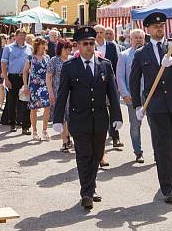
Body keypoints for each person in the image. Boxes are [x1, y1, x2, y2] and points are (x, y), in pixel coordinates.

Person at [52, 26, 122, 210]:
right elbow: (62, 94)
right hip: (79, 119)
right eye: (85, 44)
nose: (90, 47)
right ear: (78, 46)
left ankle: (91, 187)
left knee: (97, 154)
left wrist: (117, 115)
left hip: (100, 119)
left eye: (92, 43)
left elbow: (113, 93)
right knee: (84, 156)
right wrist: (57, 119)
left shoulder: (105, 64)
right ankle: (87, 193)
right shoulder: (69, 66)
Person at [129, 11, 172, 204]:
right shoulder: (141, 53)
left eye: (162, 26)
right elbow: (134, 81)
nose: (159, 29)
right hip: (156, 105)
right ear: (148, 30)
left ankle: (169, 178)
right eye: (155, 26)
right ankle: (167, 187)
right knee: (162, 145)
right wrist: (137, 106)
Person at [116, 28, 146, 163]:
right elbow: (120, 76)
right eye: (136, 37)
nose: (138, 40)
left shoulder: (149, 53)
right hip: (133, 97)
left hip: (150, 95)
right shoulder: (124, 55)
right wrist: (124, 93)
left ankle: (159, 152)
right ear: (130, 39)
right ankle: (138, 152)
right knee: (135, 126)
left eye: (141, 37)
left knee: (156, 125)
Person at [94, 24, 123, 150]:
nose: (99, 35)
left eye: (102, 32)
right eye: (97, 32)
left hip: (110, 82)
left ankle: (115, 137)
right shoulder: (90, 45)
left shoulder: (111, 46)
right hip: (95, 85)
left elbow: (117, 64)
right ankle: (98, 137)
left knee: (113, 108)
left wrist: (117, 83)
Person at [0, 29, 32, 135]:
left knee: (26, 102)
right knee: (12, 102)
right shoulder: (8, 48)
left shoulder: (29, 48)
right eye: (20, 35)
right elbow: (3, 64)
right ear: (16, 36)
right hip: (13, 77)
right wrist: (6, 79)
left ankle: (25, 126)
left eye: (24, 35)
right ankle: (12, 124)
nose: (22, 37)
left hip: (25, 78)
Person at [24, 37, 52, 141]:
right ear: (37, 45)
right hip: (34, 86)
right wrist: (26, 85)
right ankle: (34, 131)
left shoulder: (47, 57)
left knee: (47, 107)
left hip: (46, 85)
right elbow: (25, 71)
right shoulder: (30, 57)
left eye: (45, 44)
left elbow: (50, 72)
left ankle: (45, 131)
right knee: (34, 109)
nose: (44, 46)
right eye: (42, 44)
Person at [48, 38, 73, 152]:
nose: (68, 50)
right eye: (66, 47)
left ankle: (68, 138)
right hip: (58, 92)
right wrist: (50, 92)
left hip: (72, 93)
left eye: (70, 47)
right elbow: (48, 77)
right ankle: (65, 141)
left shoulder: (73, 60)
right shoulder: (54, 60)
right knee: (62, 117)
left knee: (71, 117)